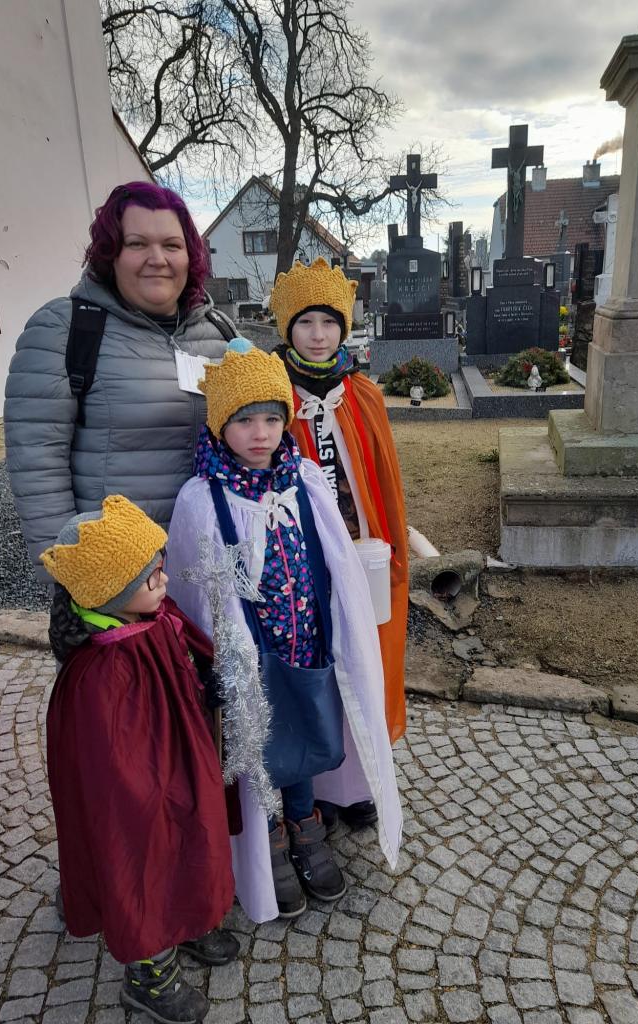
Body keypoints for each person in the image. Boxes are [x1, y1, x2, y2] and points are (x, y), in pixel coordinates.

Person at [165, 339, 402, 923]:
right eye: (244, 420)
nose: (261, 433)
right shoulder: (202, 498)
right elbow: (197, 590)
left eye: (273, 419)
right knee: (262, 751)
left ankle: (305, 825)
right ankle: (267, 839)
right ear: (220, 424)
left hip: (308, 647)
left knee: (307, 740)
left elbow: (336, 561)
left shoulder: (306, 481)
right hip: (251, 659)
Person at [40, 495, 239, 1024]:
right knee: (145, 856)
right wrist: (154, 792)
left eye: (162, 567)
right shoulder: (100, 673)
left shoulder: (151, 616)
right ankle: (149, 970)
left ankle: (186, 919)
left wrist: (206, 682)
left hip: (179, 759)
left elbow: (185, 659)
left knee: (192, 834)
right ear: (112, 591)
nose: (166, 581)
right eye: (152, 576)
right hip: (139, 788)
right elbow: (112, 767)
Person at [4, 180, 234, 579]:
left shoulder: (220, 333)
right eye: (137, 243)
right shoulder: (64, 330)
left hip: (212, 565)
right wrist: (71, 578)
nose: (157, 259)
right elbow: (38, 469)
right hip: (119, 576)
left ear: (190, 256)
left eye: (172, 245)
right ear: (111, 253)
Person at [269, 257, 409, 829]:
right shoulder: (273, 398)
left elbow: (385, 480)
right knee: (318, 665)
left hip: (362, 552)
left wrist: (390, 546)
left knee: (364, 660)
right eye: (305, 322)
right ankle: (321, 785)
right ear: (288, 329)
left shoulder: (363, 395)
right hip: (301, 561)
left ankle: (359, 783)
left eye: (329, 321)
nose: (319, 334)